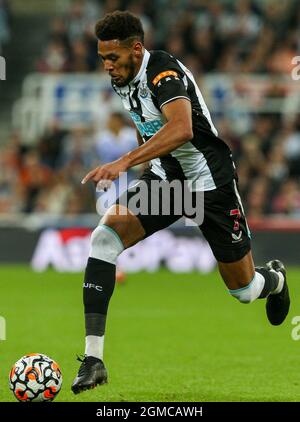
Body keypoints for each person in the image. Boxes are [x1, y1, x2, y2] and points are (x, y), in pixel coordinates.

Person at [71, 10, 290, 394]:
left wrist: (123, 161)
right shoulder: (124, 77)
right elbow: (148, 125)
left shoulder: (163, 73)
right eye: (102, 57)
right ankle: (94, 359)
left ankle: (273, 280)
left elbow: (182, 127)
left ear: (136, 49)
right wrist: (145, 165)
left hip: (210, 184)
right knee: (104, 239)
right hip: (167, 183)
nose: (107, 66)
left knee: (243, 290)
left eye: (113, 58)